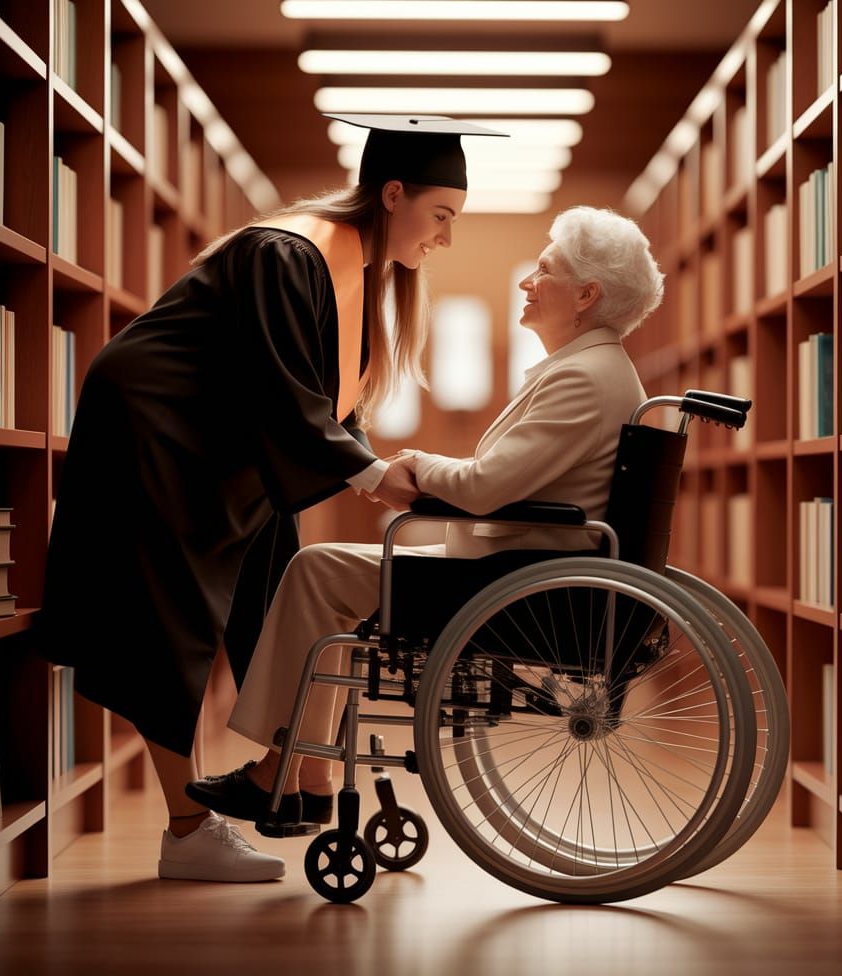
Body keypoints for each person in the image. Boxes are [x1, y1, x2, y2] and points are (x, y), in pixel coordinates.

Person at [36, 114, 505, 882]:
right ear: (393, 194)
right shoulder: (287, 252)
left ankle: (299, 770)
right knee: (168, 623)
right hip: (158, 433)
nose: (446, 238)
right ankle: (189, 831)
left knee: (280, 588)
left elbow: (326, 403)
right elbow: (282, 392)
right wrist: (371, 475)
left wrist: (377, 469)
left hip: (221, 449)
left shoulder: (351, 271)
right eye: (442, 215)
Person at [185, 206, 665, 833]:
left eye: (544, 270)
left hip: (514, 583)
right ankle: (305, 774)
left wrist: (415, 464)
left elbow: (485, 487)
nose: (527, 282)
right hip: (525, 566)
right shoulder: (598, 371)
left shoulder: (584, 378)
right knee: (323, 571)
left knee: (315, 571)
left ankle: (289, 771)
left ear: (586, 295)